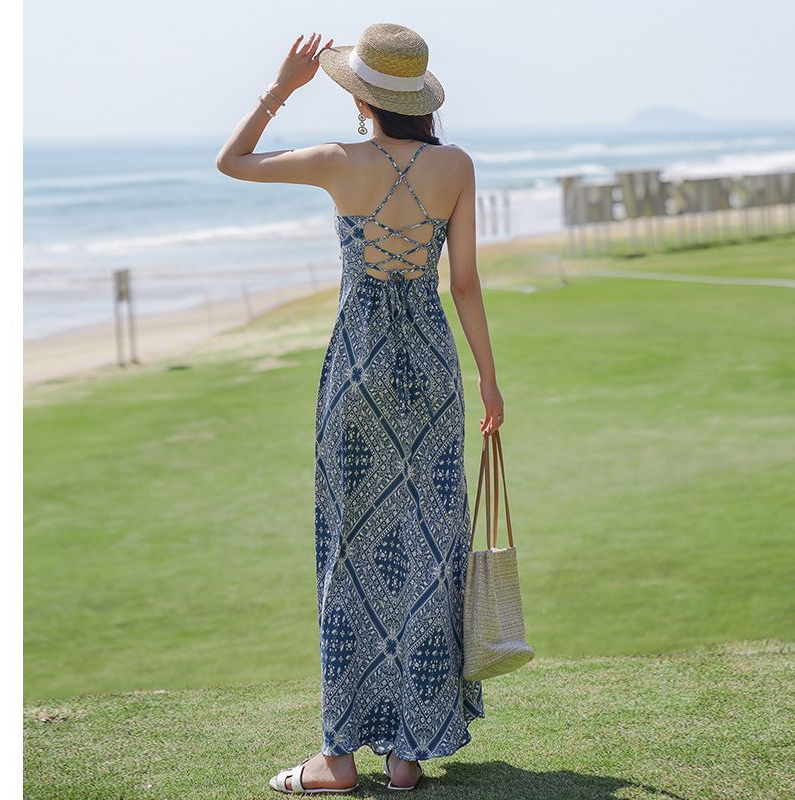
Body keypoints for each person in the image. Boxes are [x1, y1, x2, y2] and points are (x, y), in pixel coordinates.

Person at [216, 22, 504, 794]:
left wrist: (280, 90)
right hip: (433, 371)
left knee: (349, 550)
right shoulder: (455, 166)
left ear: (360, 96)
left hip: (359, 371)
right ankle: (407, 755)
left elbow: (231, 162)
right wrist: (490, 381)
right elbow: (464, 284)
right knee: (431, 548)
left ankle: (338, 758)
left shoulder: (337, 162)